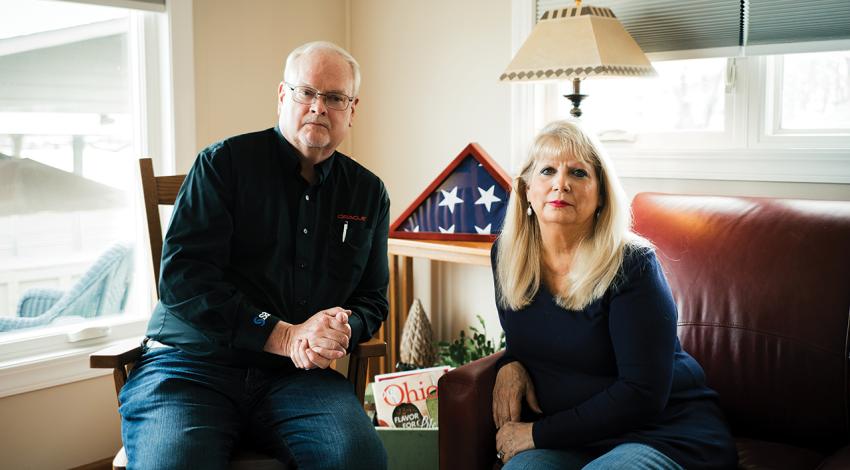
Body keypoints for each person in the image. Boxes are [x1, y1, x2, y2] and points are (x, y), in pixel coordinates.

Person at [118, 41, 389, 470]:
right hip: (191, 367)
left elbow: (372, 299)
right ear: (284, 96)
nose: (319, 107)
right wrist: (283, 335)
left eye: (335, 98)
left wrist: (341, 327)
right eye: (306, 92)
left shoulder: (368, 192)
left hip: (297, 379)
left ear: (352, 110)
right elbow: (183, 281)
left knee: (355, 458)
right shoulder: (222, 165)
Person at [490, 120, 737, 469]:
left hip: (660, 433)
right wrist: (509, 363)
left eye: (578, 173)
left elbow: (642, 394)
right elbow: (532, 337)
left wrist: (537, 434)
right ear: (526, 189)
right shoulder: (508, 255)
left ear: (602, 194)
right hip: (573, 440)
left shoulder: (633, 265)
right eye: (548, 170)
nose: (561, 183)